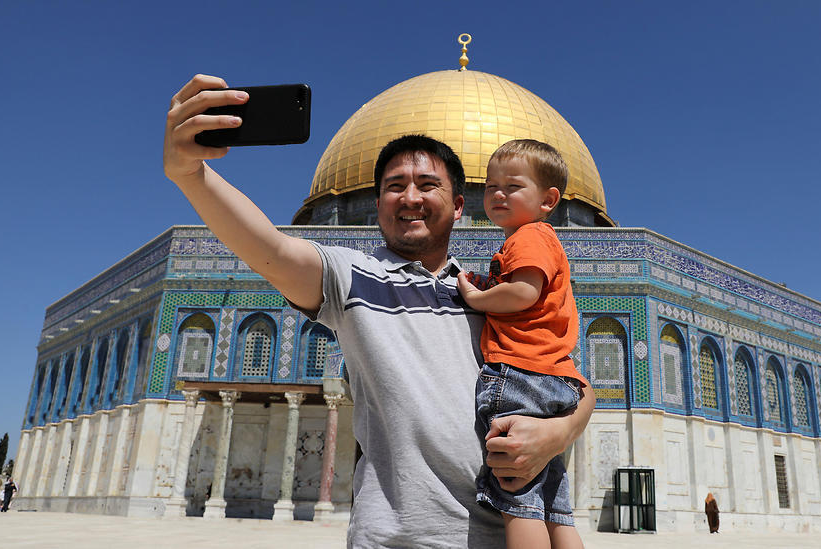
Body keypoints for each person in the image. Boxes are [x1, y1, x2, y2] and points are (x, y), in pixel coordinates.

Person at [163, 75, 595, 548]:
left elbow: (569, 379)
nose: (410, 197)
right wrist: (192, 175)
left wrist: (559, 432)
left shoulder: (491, 292)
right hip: (394, 539)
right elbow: (270, 249)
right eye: (395, 186)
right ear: (377, 205)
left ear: (457, 206)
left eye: (428, 185)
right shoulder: (351, 278)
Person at [456, 140, 587, 549]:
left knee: (518, 501)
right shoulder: (543, 240)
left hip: (518, 377)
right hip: (555, 380)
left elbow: (523, 293)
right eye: (490, 185)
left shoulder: (527, 238)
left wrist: (477, 298)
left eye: (512, 186)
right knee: (554, 506)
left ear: (548, 200)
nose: (497, 194)